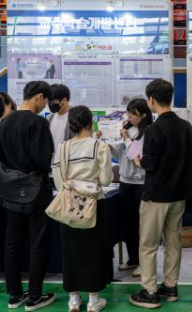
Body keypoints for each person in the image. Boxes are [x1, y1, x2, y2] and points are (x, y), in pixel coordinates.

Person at [129, 79, 192, 308]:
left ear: (151, 100)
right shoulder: (186, 126)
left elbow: (150, 163)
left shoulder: (154, 129)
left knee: (148, 245)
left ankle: (149, 291)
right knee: (172, 243)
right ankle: (170, 287)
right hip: (179, 195)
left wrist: (139, 162)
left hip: (156, 196)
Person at [0, 81, 55, 311]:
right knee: (37, 243)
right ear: (39, 97)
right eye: (45, 101)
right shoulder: (39, 122)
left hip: (9, 188)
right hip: (35, 189)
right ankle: (34, 296)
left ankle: (14, 295)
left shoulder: (4, 123)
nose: (45, 106)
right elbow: (44, 160)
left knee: (12, 243)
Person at [51, 106, 113, 312]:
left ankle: (73, 299)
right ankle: (94, 301)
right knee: (93, 251)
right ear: (90, 123)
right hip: (94, 204)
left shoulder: (62, 147)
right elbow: (105, 179)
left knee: (70, 250)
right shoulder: (99, 146)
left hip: (69, 205)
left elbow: (58, 181)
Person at [109, 98, 153, 277]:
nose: (129, 117)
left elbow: (136, 155)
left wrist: (126, 140)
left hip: (141, 184)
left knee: (142, 226)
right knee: (128, 224)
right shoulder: (127, 130)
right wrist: (108, 145)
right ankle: (133, 258)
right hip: (125, 182)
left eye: (132, 114)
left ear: (143, 115)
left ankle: (144, 263)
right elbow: (120, 153)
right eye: (128, 113)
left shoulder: (149, 132)